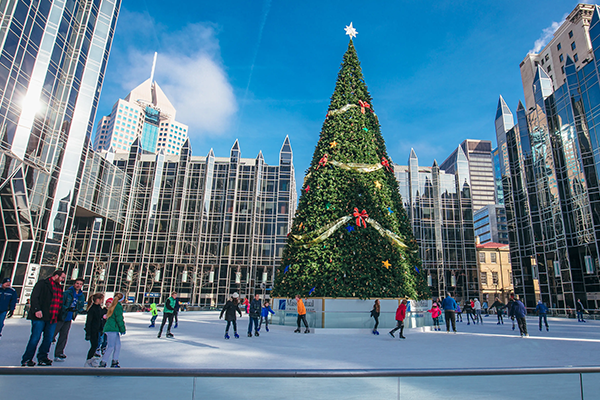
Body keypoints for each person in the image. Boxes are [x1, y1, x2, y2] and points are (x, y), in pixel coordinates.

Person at [21, 270, 66, 367]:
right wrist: (37, 309)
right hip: (40, 315)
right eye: (62, 277)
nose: (63, 280)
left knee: (48, 338)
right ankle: (27, 358)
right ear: (56, 276)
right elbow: (34, 297)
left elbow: (59, 302)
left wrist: (60, 314)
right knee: (35, 337)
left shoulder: (59, 287)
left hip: (53, 317)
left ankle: (42, 357)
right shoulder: (43, 284)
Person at [52, 278, 85, 362]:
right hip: (61, 317)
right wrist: (66, 309)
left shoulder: (81, 295)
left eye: (80, 284)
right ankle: (44, 351)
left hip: (69, 318)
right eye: (77, 283)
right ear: (74, 284)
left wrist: (81, 310)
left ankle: (59, 353)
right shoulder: (67, 293)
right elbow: (60, 303)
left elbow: (79, 306)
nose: (78, 285)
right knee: (52, 335)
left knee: (64, 336)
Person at [100, 293, 125, 368]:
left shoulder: (114, 305)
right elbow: (119, 319)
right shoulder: (118, 307)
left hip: (113, 328)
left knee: (118, 345)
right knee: (111, 346)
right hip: (112, 328)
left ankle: (115, 361)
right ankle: (103, 362)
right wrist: (122, 329)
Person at [84, 293, 104, 367]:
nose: (102, 301)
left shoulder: (99, 308)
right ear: (98, 300)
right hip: (93, 330)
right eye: (101, 300)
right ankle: (88, 359)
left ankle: (91, 359)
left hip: (97, 329)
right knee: (94, 345)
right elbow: (89, 321)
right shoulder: (92, 309)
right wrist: (88, 332)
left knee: (96, 345)